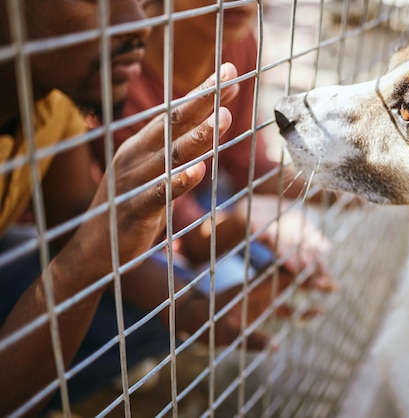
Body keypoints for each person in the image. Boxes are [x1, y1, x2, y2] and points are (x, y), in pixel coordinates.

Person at [0, 1, 331, 415]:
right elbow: (157, 241)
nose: (138, 22)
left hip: (198, 210)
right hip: (181, 224)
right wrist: (245, 219)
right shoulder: (118, 81)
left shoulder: (56, 108)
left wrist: (192, 310)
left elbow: (76, 225)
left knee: (191, 297)